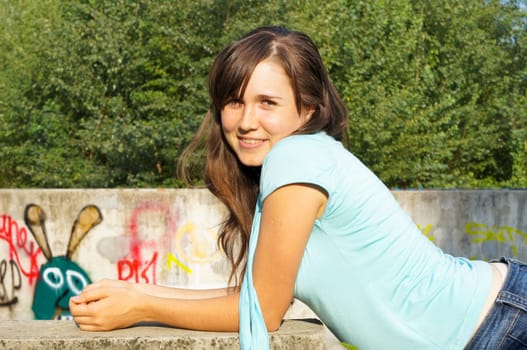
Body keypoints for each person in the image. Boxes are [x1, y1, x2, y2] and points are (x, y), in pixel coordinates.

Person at [69, 26, 527, 350]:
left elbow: (264, 313)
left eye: (267, 103)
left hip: (500, 325)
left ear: (307, 110)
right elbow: (256, 298)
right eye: (234, 101)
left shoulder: (296, 157)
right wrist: (136, 293)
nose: (246, 121)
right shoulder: (290, 168)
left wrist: (141, 304)